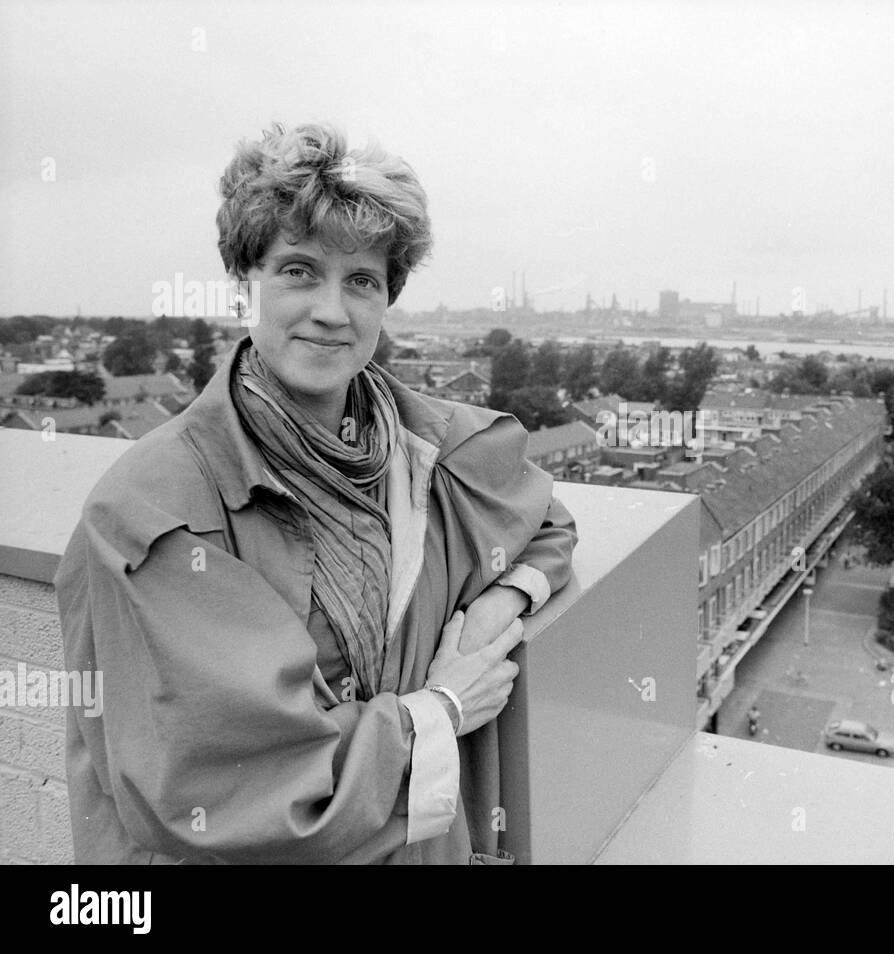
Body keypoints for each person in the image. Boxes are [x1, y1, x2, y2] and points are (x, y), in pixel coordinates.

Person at [53, 122, 578, 864]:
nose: (333, 310)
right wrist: (443, 708)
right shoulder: (151, 515)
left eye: (362, 279)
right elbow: (237, 794)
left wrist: (502, 601)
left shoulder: (433, 445)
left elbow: (545, 521)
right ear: (247, 282)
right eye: (300, 271)